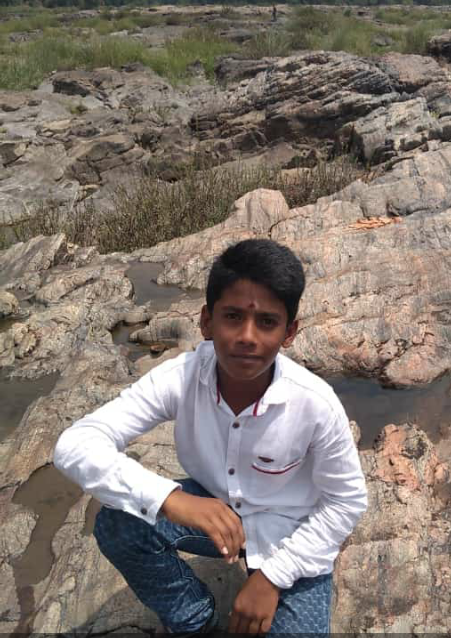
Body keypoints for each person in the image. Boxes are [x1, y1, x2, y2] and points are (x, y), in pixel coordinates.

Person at [54, 238, 367, 635]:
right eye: (232, 316)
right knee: (119, 522)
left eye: (267, 322)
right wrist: (170, 499)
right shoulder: (180, 378)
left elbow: (346, 501)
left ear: (289, 332)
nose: (247, 336)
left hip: (290, 531)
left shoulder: (315, 404)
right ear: (206, 322)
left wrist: (273, 577)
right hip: (216, 509)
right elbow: (75, 444)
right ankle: (194, 619)